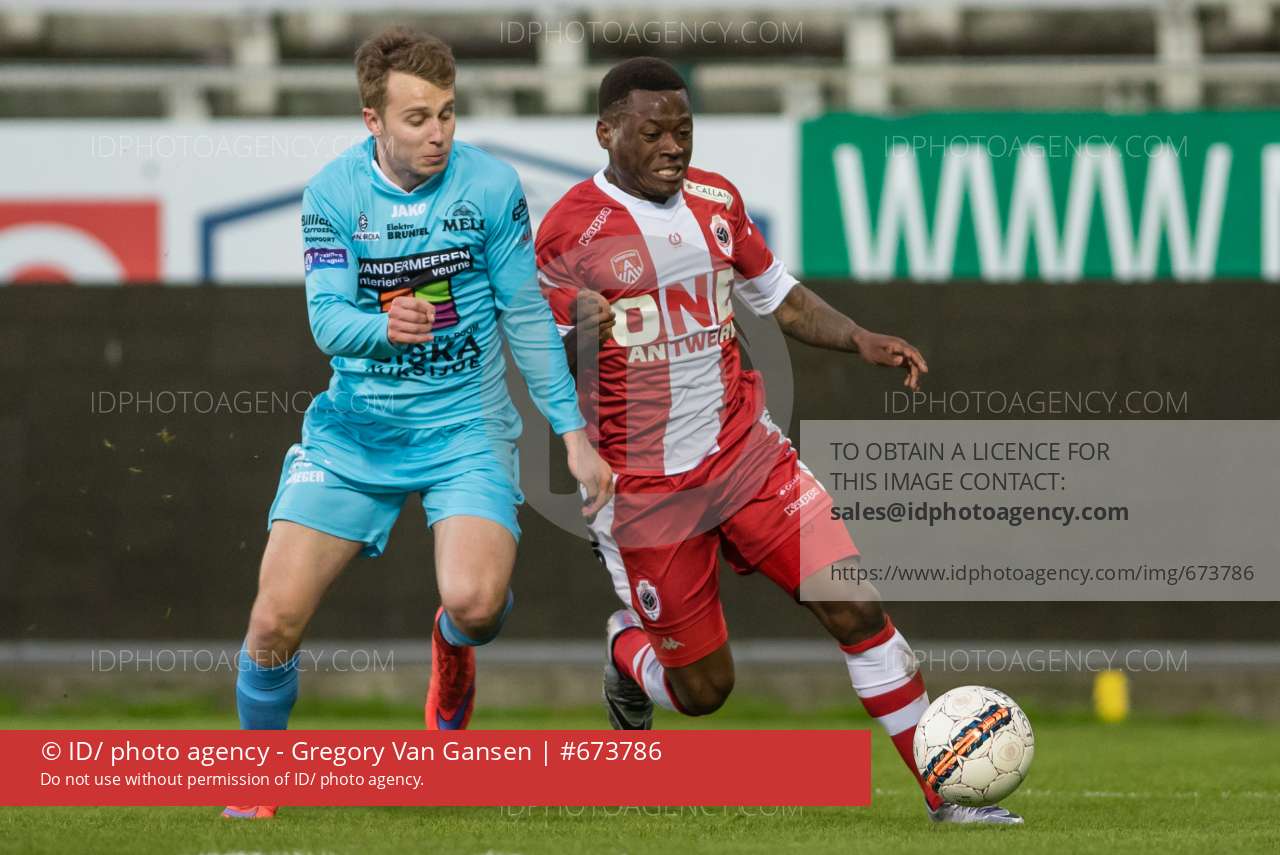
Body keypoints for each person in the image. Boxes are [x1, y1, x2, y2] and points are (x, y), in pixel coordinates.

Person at [535, 57, 1020, 825]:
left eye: (683, 130)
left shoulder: (717, 201)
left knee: (856, 608)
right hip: (647, 492)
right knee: (704, 691)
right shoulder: (568, 231)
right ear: (606, 133)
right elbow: (536, 358)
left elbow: (783, 300)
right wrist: (577, 336)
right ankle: (628, 652)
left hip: (747, 457)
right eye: (653, 132)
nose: (673, 145)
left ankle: (947, 797)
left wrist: (857, 336)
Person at [222, 27, 612, 820]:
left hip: (467, 429)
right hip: (354, 434)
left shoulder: (490, 186)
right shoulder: (333, 195)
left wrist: (573, 436)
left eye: (448, 113)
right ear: (373, 120)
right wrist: (382, 327)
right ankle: (260, 782)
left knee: (474, 603)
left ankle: (452, 648)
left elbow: (525, 315)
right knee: (272, 622)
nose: (438, 133)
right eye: (416, 118)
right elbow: (328, 320)